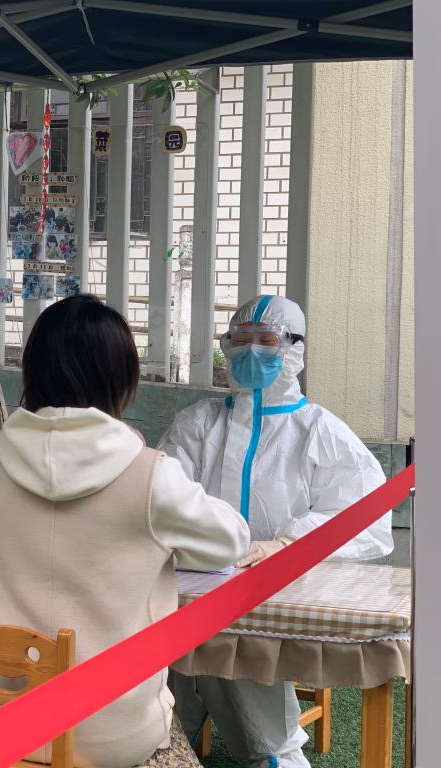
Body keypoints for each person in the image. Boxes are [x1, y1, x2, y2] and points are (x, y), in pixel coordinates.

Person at [0, 295, 249, 768]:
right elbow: (230, 541)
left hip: (10, 721)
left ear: (32, 371)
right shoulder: (151, 476)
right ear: (122, 379)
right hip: (118, 730)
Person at [159, 294, 394, 768]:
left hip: (282, 588)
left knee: (232, 654)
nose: (250, 350)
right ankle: (168, 737)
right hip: (194, 580)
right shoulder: (199, 423)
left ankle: (262, 750)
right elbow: (163, 495)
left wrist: (289, 543)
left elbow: (367, 517)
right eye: (240, 340)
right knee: (175, 654)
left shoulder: (318, 431)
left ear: (294, 349)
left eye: (266, 340)